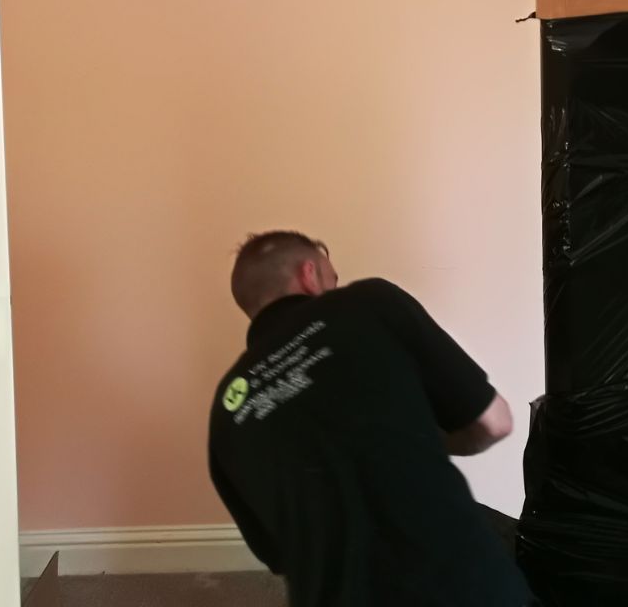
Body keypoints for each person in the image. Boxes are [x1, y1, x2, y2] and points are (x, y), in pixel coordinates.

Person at [208, 231, 532, 607]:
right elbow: (495, 422)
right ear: (309, 275)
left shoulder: (226, 409)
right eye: (333, 279)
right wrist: (427, 438)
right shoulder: (367, 302)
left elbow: (279, 556)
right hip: (464, 589)